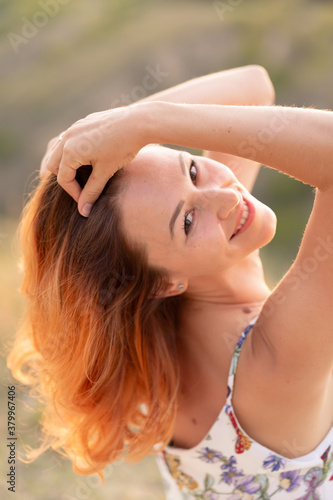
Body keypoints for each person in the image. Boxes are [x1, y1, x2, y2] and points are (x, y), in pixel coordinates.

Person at [7, 65, 333, 499]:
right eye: (187, 220)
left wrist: (118, 131)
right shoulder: (270, 366)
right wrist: (144, 123)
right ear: (161, 283)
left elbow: (252, 88)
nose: (226, 197)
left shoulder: (155, 326)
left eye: (193, 170)